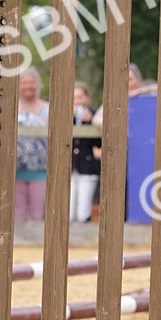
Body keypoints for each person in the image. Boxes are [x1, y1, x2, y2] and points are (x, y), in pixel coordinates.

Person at [15, 67, 48, 222]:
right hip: (15, 170)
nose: (28, 86)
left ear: (37, 85)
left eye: (31, 82)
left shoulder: (47, 108)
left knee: (38, 213)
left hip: (41, 170)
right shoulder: (11, 108)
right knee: (17, 214)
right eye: (24, 83)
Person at [70, 82, 101, 222]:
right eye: (75, 97)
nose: (78, 101)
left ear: (87, 98)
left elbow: (99, 144)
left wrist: (90, 122)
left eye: (80, 97)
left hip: (87, 166)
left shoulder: (95, 115)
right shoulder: (63, 115)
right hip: (69, 166)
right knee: (68, 208)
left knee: (84, 208)